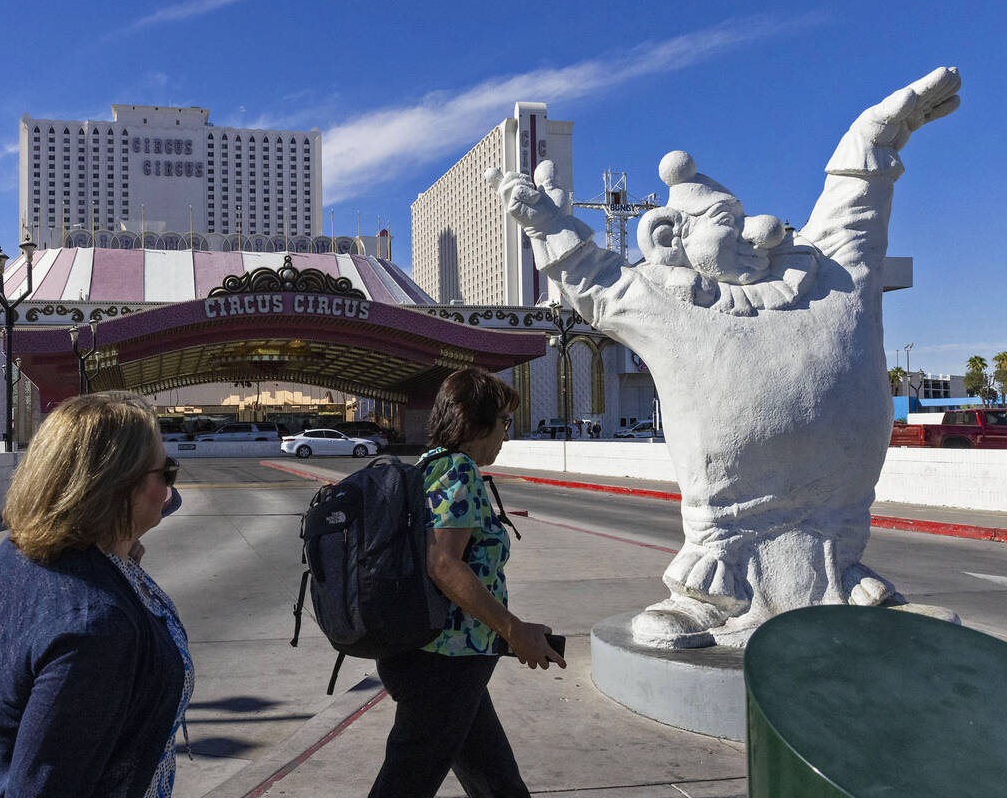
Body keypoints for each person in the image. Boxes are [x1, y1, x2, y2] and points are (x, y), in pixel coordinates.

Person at [489, 68, 960, 647]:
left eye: (747, 219)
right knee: (713, 573)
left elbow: (855, 209)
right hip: (731, 528)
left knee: (839, 557)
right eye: (726, 223)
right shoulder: (665, 301)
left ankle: (839, 580)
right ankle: (710, 596)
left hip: (837, 521)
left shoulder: (828, 271)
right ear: (672, 240)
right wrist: (546, 222)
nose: (758, 232)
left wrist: (870, 141)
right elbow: (595, 280)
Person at [0, 392, 193, 798]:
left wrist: (120, 550)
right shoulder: (95, 626)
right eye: (167, 472)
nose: (170, 490)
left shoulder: (16, 554)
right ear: (118, 487)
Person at [369, 367, 565, 798]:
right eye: (503, 423)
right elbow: (443, 564)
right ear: (476, 424)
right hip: (445, 663)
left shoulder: (428, 466)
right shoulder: (459, 471)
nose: (506, 436)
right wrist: (515, 632)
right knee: (405, 784)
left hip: (444, 658)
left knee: (497, 783)